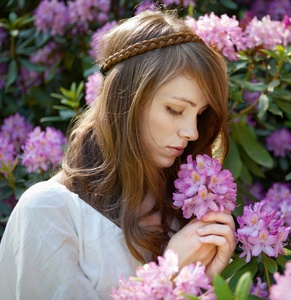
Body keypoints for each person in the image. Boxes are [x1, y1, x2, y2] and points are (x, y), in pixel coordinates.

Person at [0, 9, 236, 299]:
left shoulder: (180, 216)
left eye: (199, 115)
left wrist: (204, 282)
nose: (193, 132)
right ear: (126, 102)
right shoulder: (49, 212)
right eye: (175, 110)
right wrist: (168, 274)